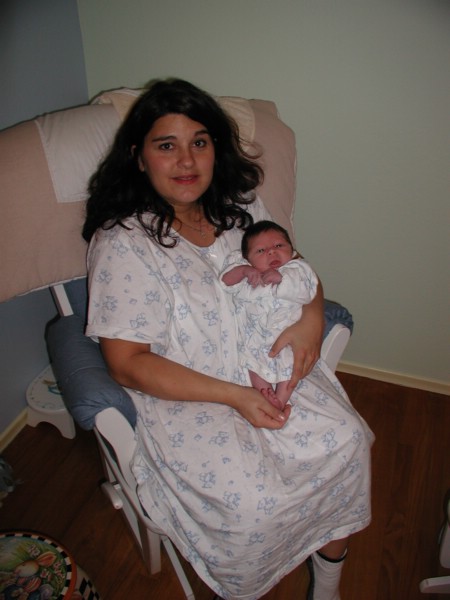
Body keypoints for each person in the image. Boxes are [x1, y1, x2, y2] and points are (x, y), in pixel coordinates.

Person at [83, 78, 374, 600]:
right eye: (166, 145)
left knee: (346, 442)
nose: (186, 160)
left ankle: (326, 584)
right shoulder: (124, 242)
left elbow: (299, 271)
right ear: (138, 157)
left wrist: (310, 320)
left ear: (216, 148)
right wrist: (234, 396)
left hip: (270, 368)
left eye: (199, 141)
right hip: (190, 393)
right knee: (251, 507)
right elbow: (126, 362)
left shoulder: (241, 209)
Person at [221, 220, 318, 410]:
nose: (272, 252)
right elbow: (226, 281)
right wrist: (244, 271)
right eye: (261, 250)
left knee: (292, 366)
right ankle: (264, 394)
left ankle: (280, 399)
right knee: (252, 365)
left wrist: (283, 279)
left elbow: (308, 291)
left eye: (279, 246)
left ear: (291, 249)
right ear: (247, 258)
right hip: (256, 338)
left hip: (288, 337)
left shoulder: (297, 270)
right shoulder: (247, 275)